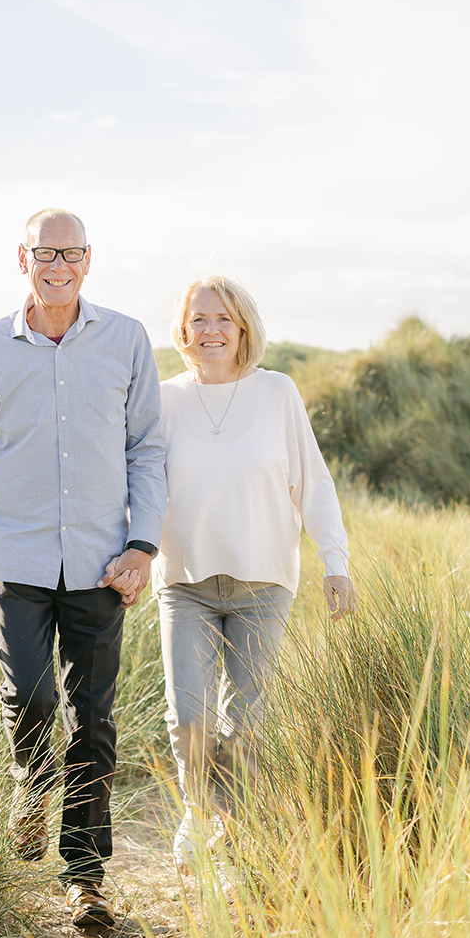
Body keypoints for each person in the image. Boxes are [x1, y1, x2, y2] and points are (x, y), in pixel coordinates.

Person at [0, 208, 166, 928]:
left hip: (102, 565)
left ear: (89, 261)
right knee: (31, 700)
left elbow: (148, 450)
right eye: (44, 252)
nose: (57, 265)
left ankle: (85, 876)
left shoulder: (126, 341)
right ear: (22, 259)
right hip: (16, 557)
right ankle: (29, 791)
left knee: (92, 720)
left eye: (70, 252)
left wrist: (142, 545)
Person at [154, 275, 356, 870]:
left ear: (243, 328)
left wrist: (335, 562)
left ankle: (235, 842)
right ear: (183, 330)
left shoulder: (277, 393)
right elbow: (137, 485)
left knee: (245, 722)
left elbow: (313, 483)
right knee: (188, 714)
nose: (211, 330)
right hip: (184, 579)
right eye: (199, 320)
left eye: (224, 320)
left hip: (264, 583)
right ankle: (197, 810)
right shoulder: (163, 398)